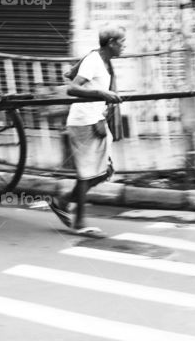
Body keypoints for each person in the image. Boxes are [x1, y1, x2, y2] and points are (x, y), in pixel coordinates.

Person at [48, 25, 125, 238]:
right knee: (87, 173)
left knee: (105, 171)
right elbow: (72, 89)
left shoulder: (106, 62)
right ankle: (79, 222)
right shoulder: (94, 60)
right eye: (121, 42)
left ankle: (62, 202)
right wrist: (101, 93)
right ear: (111, 43)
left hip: (96, 120)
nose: (124, 46)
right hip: (83, 122)